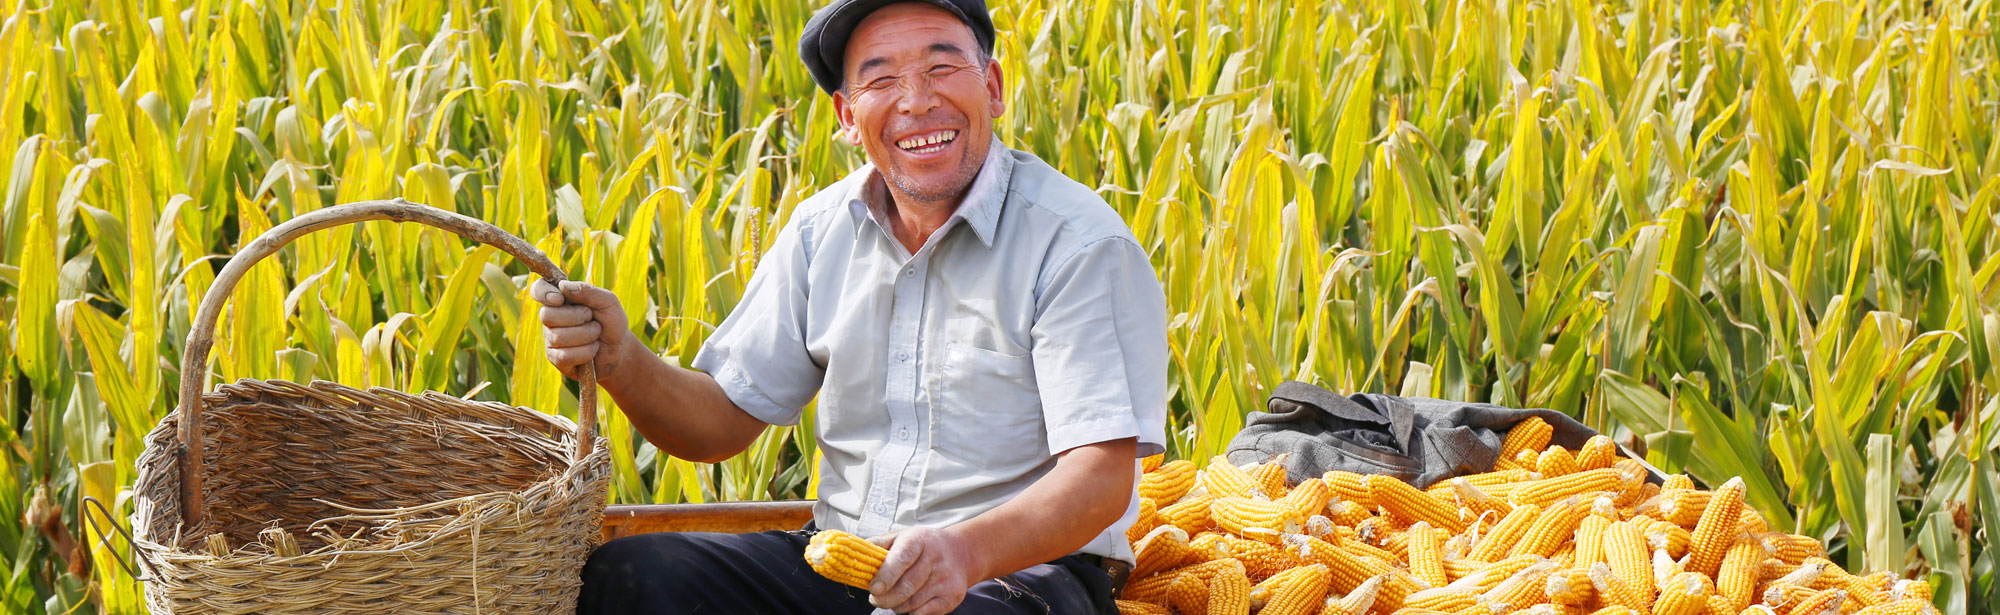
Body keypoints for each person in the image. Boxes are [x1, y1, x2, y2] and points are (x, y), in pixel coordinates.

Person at [532, 0, 1167, 612]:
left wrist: (961, 553)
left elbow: (1099, 478)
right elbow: (721, 421)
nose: (916, 101)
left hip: (1017, 574)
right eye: (881, 79)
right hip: (847, 561)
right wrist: (620, 359)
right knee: (631, 577)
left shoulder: (1077, 243)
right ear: (847, 115)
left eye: (942, 67)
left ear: (993, 88)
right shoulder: (820, 231)